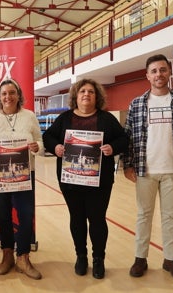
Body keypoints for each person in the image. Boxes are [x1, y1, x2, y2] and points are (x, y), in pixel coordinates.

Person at [123, 54, 173, 281]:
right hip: (144, 169)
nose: (159, 74)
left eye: (163, 70)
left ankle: (171, 259)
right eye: (154, 71)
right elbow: (128, 136)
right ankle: (140, 258)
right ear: (147, 75)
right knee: (143, 215)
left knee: (170, 216)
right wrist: (127, 164)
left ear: (169, 73)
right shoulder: (137, 104)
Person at [42, 78, 127, 279]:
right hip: (70, 181)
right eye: (82, 91)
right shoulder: (64, 118)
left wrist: (112, 148)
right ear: (75, 96)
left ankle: (99, 259)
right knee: (77, 219)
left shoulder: (106, 119)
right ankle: (81, 256)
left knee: (97, 220)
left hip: (99, 182)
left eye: (90, 91)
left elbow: (123, 138)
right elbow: (48, 137)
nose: (86, 94)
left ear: (96, 96)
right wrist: (56, 147)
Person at [0, 78, 44, 280]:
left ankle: (23, 256)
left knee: (25, 215)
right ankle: (7, 254)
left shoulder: (29, 116)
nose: (8, 97)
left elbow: (40, 141)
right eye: (4, 93)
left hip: (24, 174)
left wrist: (37, 147)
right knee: (3, 216)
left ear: (18, 95)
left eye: (12, 92)